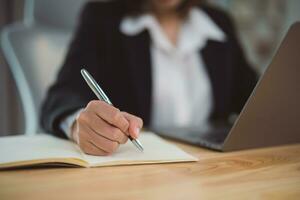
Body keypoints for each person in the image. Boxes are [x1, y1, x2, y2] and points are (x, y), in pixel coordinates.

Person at [41, 0, 257, 156]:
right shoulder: (101, 18)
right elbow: (61, 96)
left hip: (213, 168)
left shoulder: (219, 22)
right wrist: (78, 125)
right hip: (139, 172)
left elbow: (253, 96)